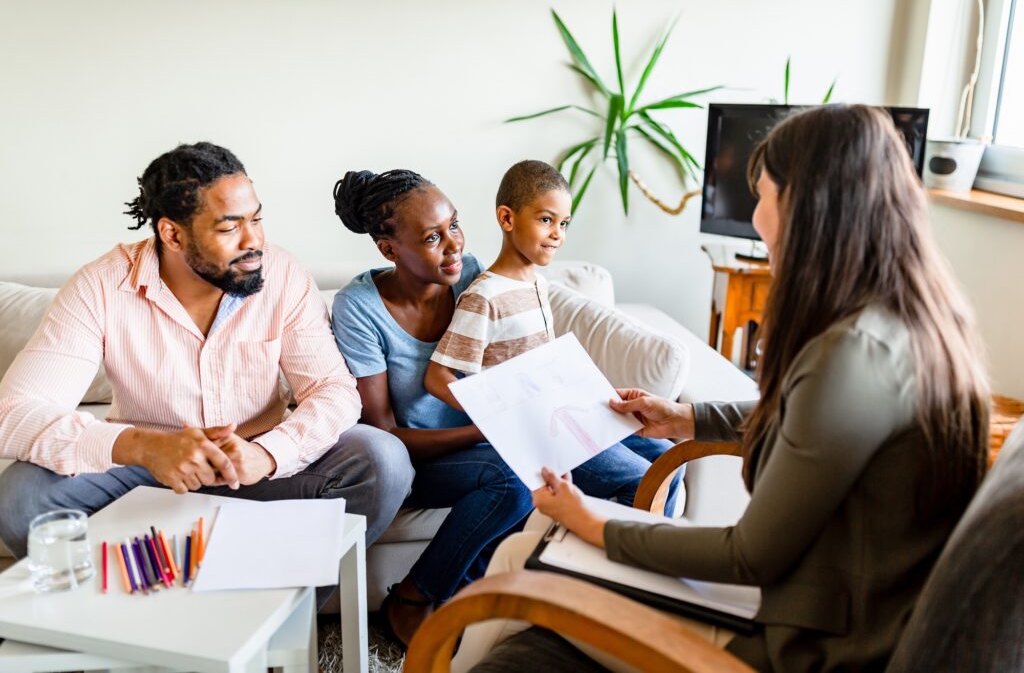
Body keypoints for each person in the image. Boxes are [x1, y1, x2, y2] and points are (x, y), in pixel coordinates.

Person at [453, 104, 991, 672]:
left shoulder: (849, 356)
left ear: (812, 208)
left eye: (764, 196)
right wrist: (688, 418)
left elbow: (748, 554)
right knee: (528, 547)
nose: (757, 219)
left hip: (795, 642)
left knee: (524, 558)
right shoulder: (904, 322)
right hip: (813, 603)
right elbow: (808, 418)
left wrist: (596, 522)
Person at [0, 142, 414, 560]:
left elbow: (332, 389)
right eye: (230, 227)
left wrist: (268, 454)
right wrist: (145, 448)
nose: (255, 241)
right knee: (22, 497)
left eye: (256, 219)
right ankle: (121, 618)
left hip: (257, 465)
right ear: (172, 234)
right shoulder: (100, 287)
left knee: (383, 460)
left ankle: (267, 612)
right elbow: (14, 411)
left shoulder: (282, 275)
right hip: (145, 469)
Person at [330, 168, 672, 649]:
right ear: (389, 250)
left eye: (454, 224)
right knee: (512, 477)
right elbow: (384, 433)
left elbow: (528, 354)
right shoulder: (358, 308)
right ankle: (412, 596)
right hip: (424, 458)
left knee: (664, 454)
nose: (453, 245)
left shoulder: (471, 275)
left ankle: (599, 593)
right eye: (432, 237)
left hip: (505, 434)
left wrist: (599, 397)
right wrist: (483, 430)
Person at [424, 160, 677, 511]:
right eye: (546, 220)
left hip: (564, 415)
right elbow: (437, 377)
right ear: (507, 219)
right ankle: (618, 561)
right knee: (642, 477)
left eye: (564, 223)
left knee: (670, 460)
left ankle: (652, 557)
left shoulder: (540, 284)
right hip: (537, 435)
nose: (558, 233)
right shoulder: (484, 296)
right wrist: (496, 415)